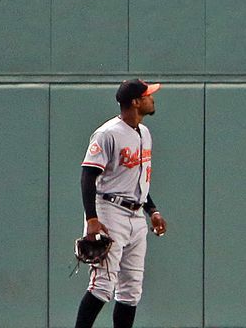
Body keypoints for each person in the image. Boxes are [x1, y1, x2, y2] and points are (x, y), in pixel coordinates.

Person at [73, 80, 166, 328]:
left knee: (131, 290)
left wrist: (152, 210)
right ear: (135, 102)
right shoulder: (107, 133)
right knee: (102, 285)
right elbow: (88, 176)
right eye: (147, 95)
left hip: (136, 215)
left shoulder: (144, 133)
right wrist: (92, 218)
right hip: (109, 212)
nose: (152, 99)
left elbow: (136, 181)